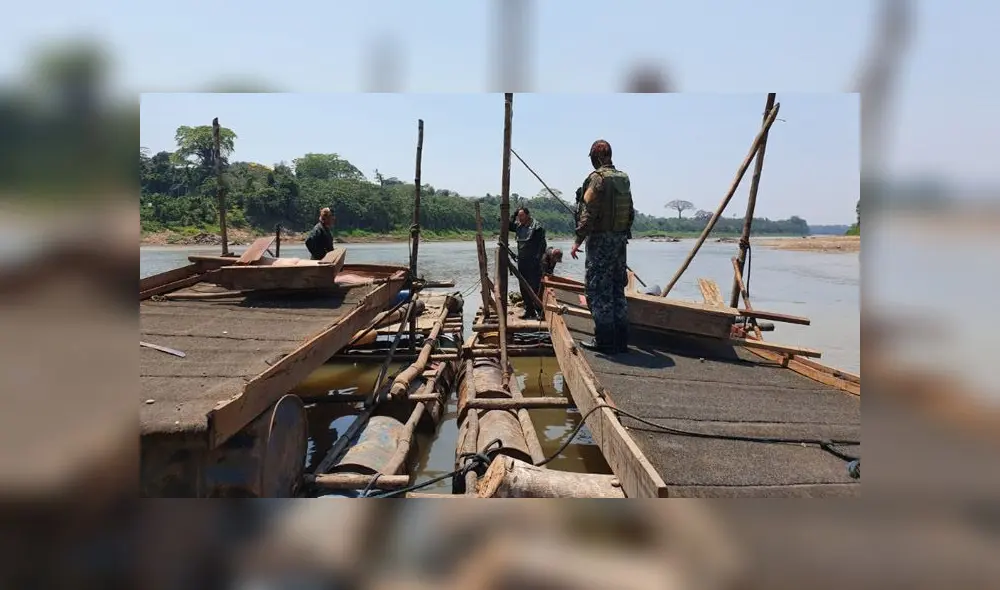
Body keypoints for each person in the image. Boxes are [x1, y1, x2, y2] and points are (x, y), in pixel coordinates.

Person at [570, 139, 635, 354]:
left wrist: (578, 240)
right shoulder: (623, 179)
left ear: (596, 157)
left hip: (601, 242)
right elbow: (631, 212)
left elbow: (588, 213)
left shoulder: (597, 180)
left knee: (599, 289)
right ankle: (621, 340)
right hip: (619, 241)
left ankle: (605, 341)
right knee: (617, 288)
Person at [508, 206, 547, 319]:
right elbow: (509, 225)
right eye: (518, 216)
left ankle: (540, 311)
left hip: (534, 262)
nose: (519, 218)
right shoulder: (519, 227)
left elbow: (542, 245)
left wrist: (538, 259)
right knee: (523, 287)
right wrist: (514, 213)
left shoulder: (537, 227)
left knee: (536, 287)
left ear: (528, 215)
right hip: (522, 261)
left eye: (521, 216)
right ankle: (529, 310)